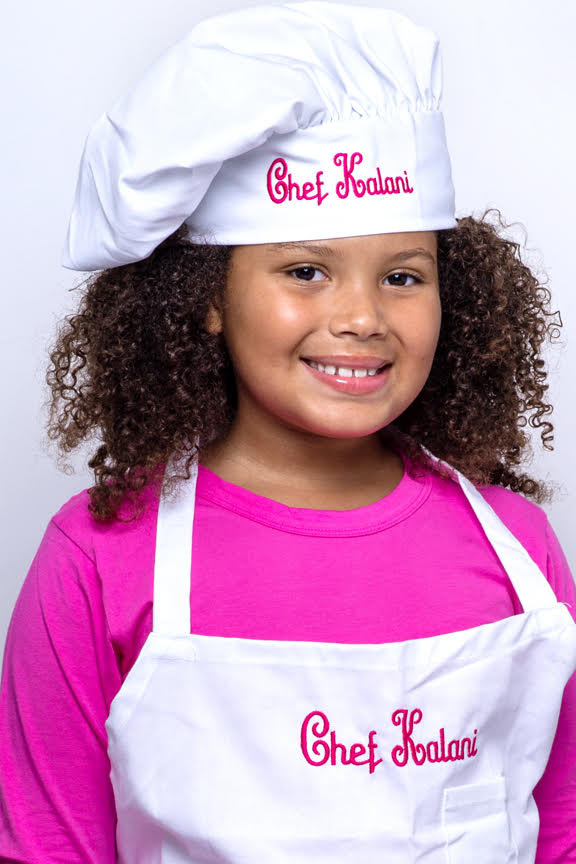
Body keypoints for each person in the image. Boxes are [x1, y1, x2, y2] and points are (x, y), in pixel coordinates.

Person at [1, 2, 575, 862]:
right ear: (204, 301)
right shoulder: (98, 557)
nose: (361, 317)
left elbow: (561, 827)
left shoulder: (518, 550)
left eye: (403, 276)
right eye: (305, 270)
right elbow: (49, 844)